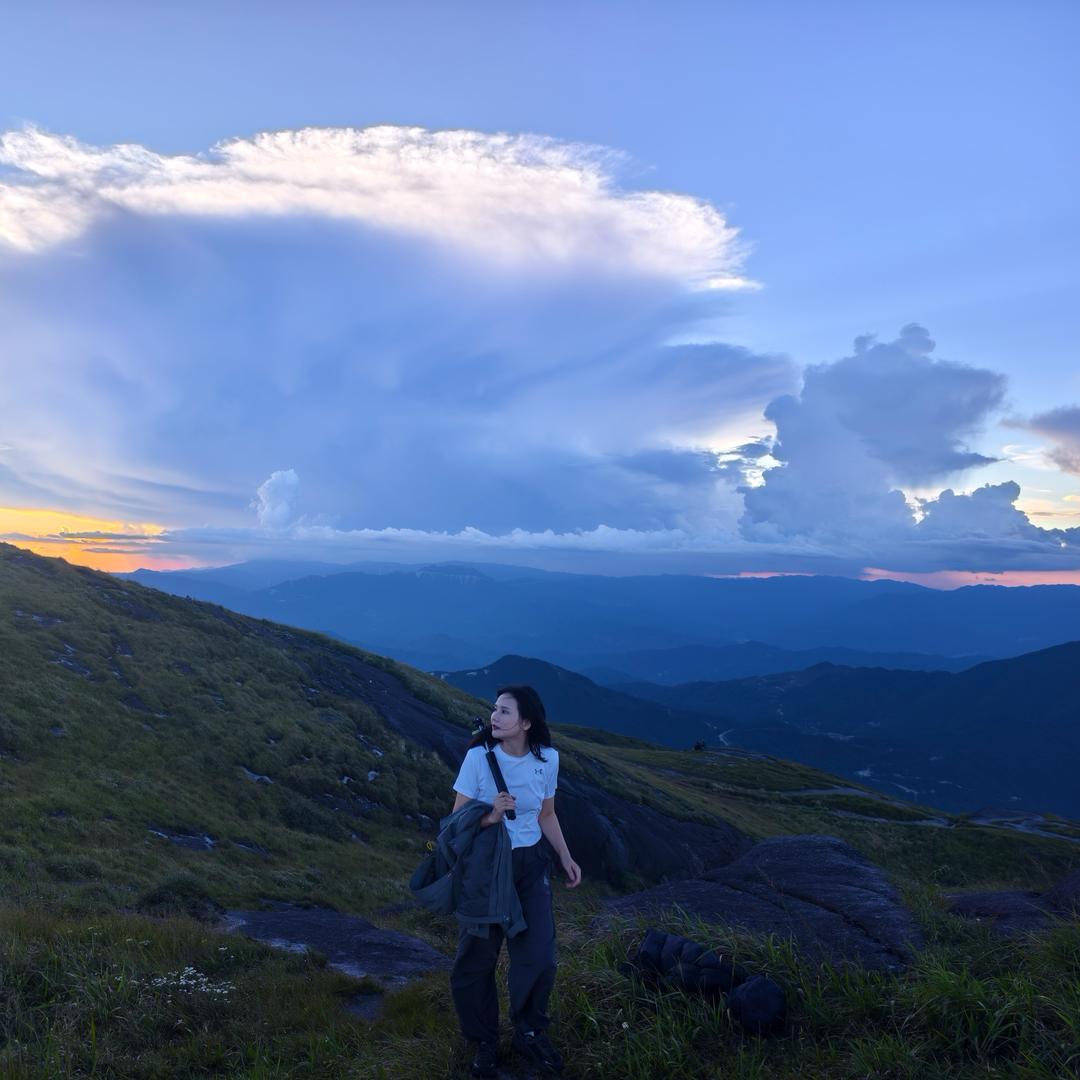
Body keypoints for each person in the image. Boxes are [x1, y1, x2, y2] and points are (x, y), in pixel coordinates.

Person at [449, 684, 581, 1078]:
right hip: (488, 864)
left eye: (505, 711)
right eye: (494, 709)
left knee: (539, 954)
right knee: (476, 958)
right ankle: (484, 1040)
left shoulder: (548, 760)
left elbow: (546, 814)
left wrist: (564, 854)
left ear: (526, 722)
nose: (495, 716)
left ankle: (528, 1030)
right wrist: (489, 815)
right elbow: (457, 820)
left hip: (531, 863)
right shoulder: (477, 758)